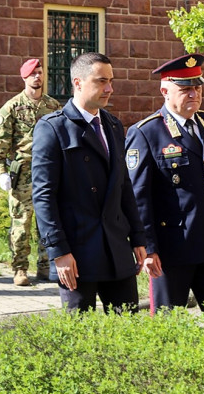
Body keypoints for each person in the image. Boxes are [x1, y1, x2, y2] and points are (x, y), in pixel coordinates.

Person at [32, 52, 154, 313]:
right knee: (79, 335)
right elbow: (43, 196)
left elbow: (124, 187)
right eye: (101, 81)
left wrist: (138, 238)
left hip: (115, 248)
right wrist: (58, 252)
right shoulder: (53, 128)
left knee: (127, 330)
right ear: (78, 83)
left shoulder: (112, 125)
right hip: (77, 251)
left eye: (111, 81)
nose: (109, 88)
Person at [125, 53, 204, 321]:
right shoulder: (146, 132)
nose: (194, 94)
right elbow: (138, 197)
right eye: (185, 89)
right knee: (168, 327)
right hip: (171, 252)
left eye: (197, 87)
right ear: (165, 90)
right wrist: (148, 248)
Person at [0, 58, 62, 286]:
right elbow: (0, 143)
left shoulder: (53, 106)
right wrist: (2, 171)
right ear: (24, 77)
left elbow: (62, 139)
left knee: (47, 221)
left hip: (49, 173)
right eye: (32, 73)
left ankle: (44, 267)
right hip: (22, 173)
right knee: (21, 225)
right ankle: (20, 269)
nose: (37, 77)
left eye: (40, 72)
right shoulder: (11, 107)